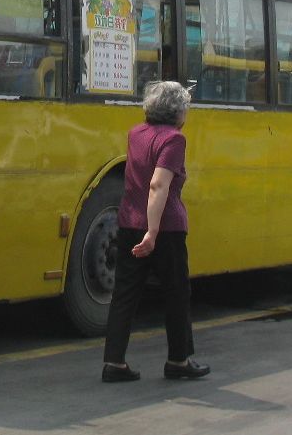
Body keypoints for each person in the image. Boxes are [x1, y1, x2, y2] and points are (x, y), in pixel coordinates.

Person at [102, 80, 209, 383]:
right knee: (176, 293)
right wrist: (152, 232)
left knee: (125, 293)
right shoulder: (174, 140)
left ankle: (114, 362)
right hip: (165, 228)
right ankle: (178, 360)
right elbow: (158, 184)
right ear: (178, 112)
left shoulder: (136, 134)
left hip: (127, 222)